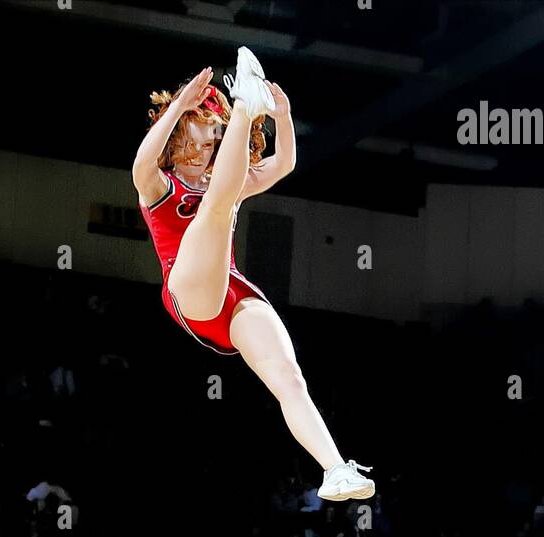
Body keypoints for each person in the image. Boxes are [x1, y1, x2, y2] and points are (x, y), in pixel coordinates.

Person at [132, 55, 373, 504]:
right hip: (189, 293)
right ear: (182, 124)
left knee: (289, 377)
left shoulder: (225, 179)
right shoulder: (158, 184)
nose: (212, 134)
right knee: (217, 207)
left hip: (232, 290)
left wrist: (281, 116)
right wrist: (182, 101)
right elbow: (141, 160)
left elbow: (283, 164)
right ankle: (246, 102)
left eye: (219, 125)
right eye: (207, 122)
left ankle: (335, 468)